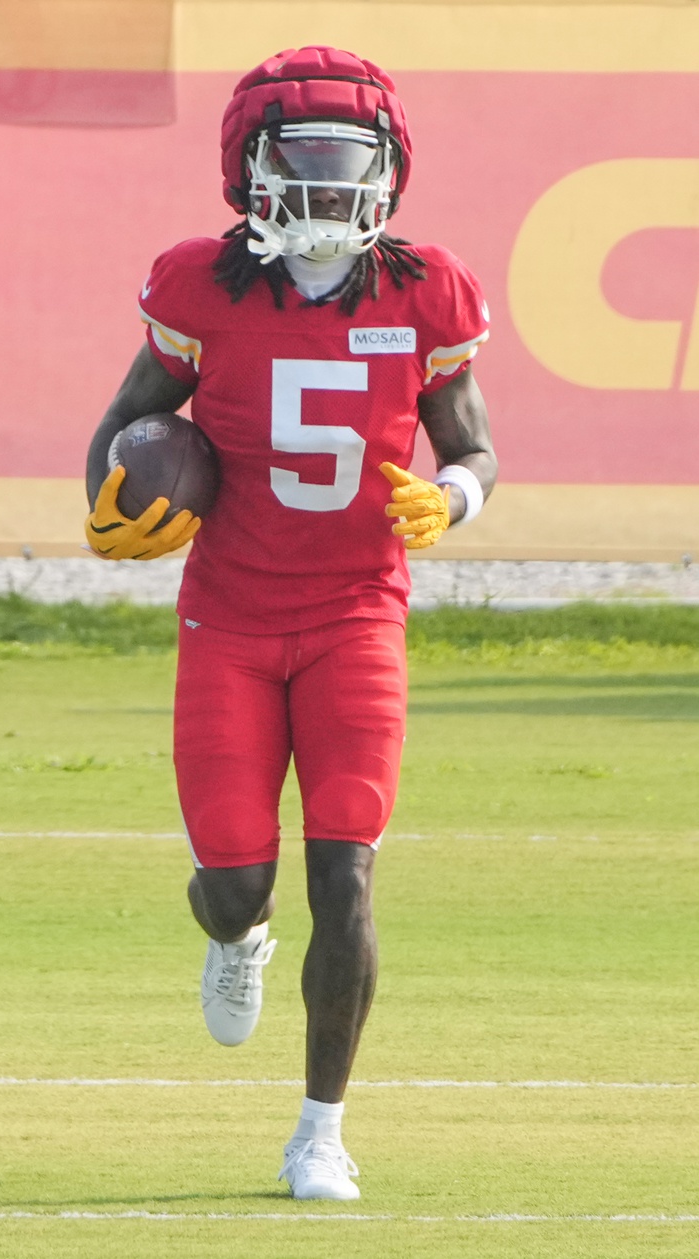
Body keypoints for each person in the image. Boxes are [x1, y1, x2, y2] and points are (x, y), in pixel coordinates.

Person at [84, 45, 497, 1201]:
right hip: (230, 613)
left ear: (389, 172)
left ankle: (318, 1130)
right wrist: (104, 509)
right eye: (300, 164)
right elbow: (128, 419)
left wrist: (452, 495)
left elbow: (471, 442)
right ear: (250, 171)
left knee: (347, 873)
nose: (324, 190)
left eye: (345, 165)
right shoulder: (197, 286)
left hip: (357, 612)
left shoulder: (425, 289)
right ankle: (232, 931)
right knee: (233, 879)